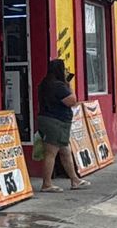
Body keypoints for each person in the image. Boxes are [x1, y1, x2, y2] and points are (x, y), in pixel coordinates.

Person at [36, 58, 88, 193]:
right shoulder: (58, 86)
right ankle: (46, 184)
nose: (66, 72)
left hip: (49, 119)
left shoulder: (44, 84)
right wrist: (69, 86)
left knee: (65, 151)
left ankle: (75, 180)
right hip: (56, 121)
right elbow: (72, 101)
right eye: (64, 69)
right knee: (51, 152)